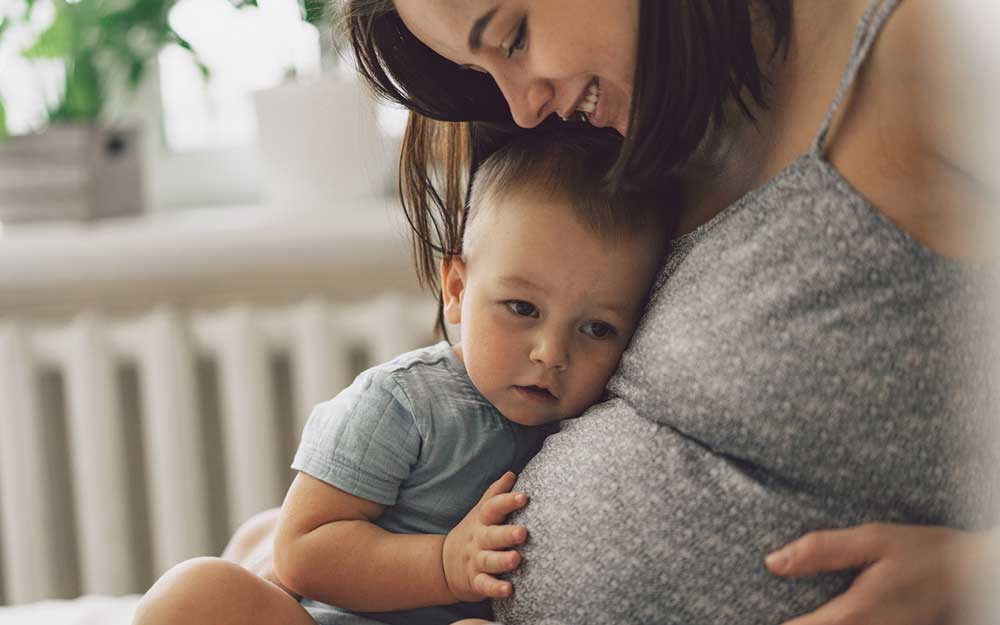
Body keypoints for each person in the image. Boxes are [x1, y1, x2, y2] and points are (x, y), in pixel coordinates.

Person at [335, 1, 997, 624]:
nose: (522, 108)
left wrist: (975, 575)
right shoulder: (648, 126)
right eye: (482, 72)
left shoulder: (922, 48)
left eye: (514, 37)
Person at [131, 130, 672, 625]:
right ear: (457, 290)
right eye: (522, 308)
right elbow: (302, 550)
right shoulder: (403, 403)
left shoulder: (597, 425)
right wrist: (444, 563)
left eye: (598, 328)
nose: (552, 353)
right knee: (196, 591)